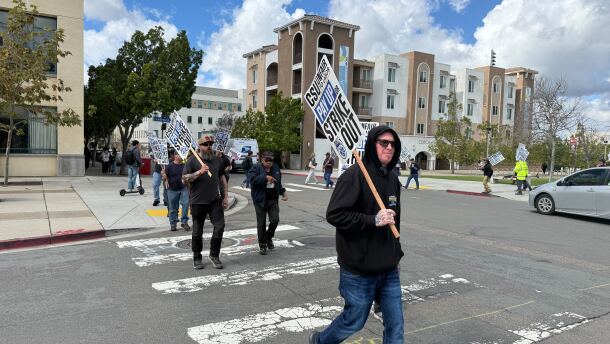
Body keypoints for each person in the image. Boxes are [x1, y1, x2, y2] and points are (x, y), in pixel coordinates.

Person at [309, 125, 404, 344]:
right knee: (355, 320)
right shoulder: (354, 176)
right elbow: (335, 214)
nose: (389, 147)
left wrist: (395, 253)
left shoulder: (392, 178)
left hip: (388, 269)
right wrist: (372, 220)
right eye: (384, 143)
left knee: (395, 324)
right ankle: (320, 341)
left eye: (393, 144)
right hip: (359, 269)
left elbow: (394, 220)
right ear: (372, 145)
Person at [182, 135, 229, 270]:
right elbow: (184, 179)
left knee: (220, 226)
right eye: (205, 144)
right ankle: (197, 257)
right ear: (199, 146)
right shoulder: (192, 161)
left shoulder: (217, 160)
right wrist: (199, 172)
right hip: (198, 201)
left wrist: (225, 196)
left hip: (215, 200)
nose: (208, 146)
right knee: (197, 231)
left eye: (210, 144)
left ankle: (214, 255)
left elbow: (222, 178)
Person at [248, 151, 288, 255]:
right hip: (260, 200)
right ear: (262, 160)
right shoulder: (256, 168)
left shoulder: (275, 168)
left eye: (271, 160)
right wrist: (265, 178)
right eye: (267, 160)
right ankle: (262, 245)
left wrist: (283, 192)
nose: (269, 162)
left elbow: (278, 182)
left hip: (272, 200)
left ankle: (268, 237)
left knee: (275, 220)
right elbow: (251, 180)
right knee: (261, 223)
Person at [163, 151, 190, 231]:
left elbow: (187, 176)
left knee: (186, 203)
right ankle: (173, 223)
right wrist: (164, 177)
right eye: (179, 154)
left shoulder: (185, 166)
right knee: (172, 208)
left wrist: (186, 180)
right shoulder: (169, 166)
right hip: (172, 189)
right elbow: (165, 178)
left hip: (183, 188)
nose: (181, 156)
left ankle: (184, 222)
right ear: (175, 156)